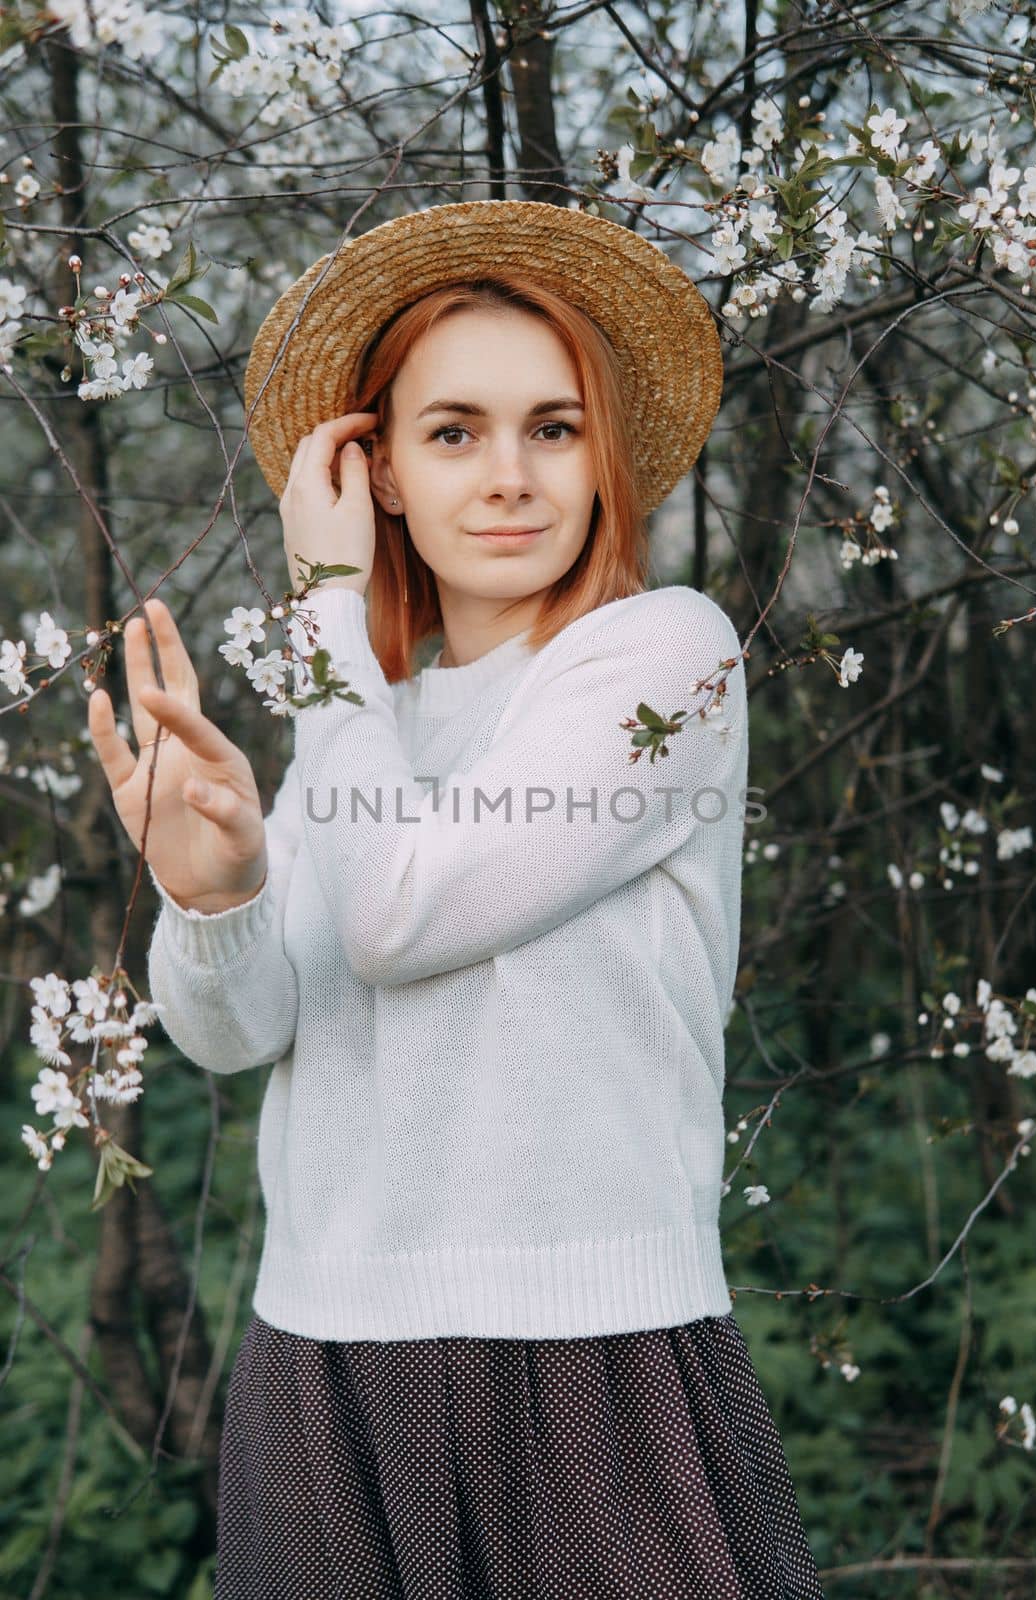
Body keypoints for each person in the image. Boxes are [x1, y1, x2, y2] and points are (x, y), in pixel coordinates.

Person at [89, 200, 824, 1598]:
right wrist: (219, 895)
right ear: (374, 474)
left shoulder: (664, 659)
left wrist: (321, 605)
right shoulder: (367, 711)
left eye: (552, 427)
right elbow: (238, 1032)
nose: (507, 476)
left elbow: (396, 915)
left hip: (584, 1349)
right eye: (451, 432)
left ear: (605, 456)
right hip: (329, 1353)